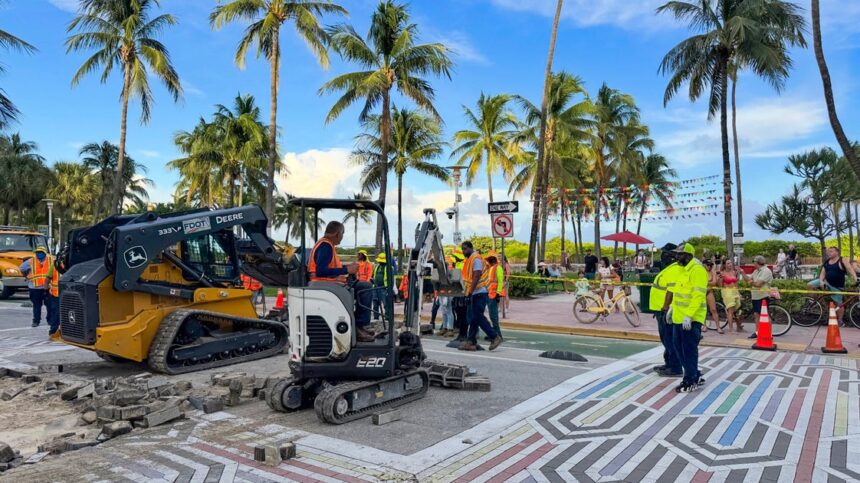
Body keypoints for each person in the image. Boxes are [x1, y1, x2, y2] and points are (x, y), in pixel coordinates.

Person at [308, 221, 374, 342]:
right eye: (342, 234)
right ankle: (358, 326)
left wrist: (345, 268)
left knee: (362, 286)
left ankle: (358, 326)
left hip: (328, 284)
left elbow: (327, 267)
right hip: (326, 285)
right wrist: (347, 269)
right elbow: (321, 271)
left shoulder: (326, 245)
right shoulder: (326, 246)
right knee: (365, 287)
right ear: (337, 234)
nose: (342, 238)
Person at [670, 242, 708, 393]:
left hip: (691, 319)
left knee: (688, 350)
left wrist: (689, 315)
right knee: (677, 347)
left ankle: (690, 380)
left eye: (679, 254)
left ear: (688, 255)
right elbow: (678, 292)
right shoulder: (683, 270)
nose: (676, 257)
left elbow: (698, 295)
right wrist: (672, 307)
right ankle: (694, 374)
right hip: (679, 317)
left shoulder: (697, 270)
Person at [459, 241, 502, 351]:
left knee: (477, 316)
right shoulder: (470, 259)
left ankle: (494, 336)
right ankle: (471, 341)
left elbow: (477, 275)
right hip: (475, 292)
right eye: (462, 249)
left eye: (464, 249)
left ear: (470, 248)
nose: (463, 252)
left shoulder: (476, 258)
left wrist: (470, 292)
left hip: (479, 292)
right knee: (473, 318)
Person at [649, 243, 682, 377]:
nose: (662, 256)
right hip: (660, 308)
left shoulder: (674, 269)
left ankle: (675, 367)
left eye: (665, 253)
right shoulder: (670, 268)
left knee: (668, 338)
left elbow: (671, 290)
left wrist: (666, 307)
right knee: (666, 338)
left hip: (665, 309)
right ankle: (669, 363)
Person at [807, 246, 858, 325]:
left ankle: (840, 320)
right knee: (810, 285)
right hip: (826, 282)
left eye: (831, 251)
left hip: (837, 286)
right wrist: (821, 281)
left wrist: (855, 278)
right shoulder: (827, 262)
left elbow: (850, 269)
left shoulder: (842, 260)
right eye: (828, 251)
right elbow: (822, 274)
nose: (828, 253)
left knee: (839, 304)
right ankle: (814, 302)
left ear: (837, 252)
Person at [19, 246, 59, 333]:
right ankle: (36, 321)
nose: (38, 254)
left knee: (50, 306)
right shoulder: (31, 261)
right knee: (37, 306)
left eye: (40, 252)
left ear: (45, 253)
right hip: (34, 287)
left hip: (47, 287)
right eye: (37, 252)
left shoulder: (51, 260)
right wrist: (26, 276)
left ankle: (50, 320)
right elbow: (21, 268)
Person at [743, 255, 774, 340]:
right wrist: (742, 273)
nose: (753, 264)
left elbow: (758, 284)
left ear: (757, 262)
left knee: (765, 315)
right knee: (756, 315)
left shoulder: (766, 271)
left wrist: (751, 282)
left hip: (763, 296)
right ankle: (757, 332)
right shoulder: (756, 271)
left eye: (754, 262)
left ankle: (769, 334)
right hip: (755, 296)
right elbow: (748, 279)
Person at [718, 258, 742, 332]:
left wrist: (739, 293)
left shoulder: (734, 272)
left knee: (736, 309)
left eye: (731, 263)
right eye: (728, 263)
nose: (730, 265)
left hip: (734, 291)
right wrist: (721, 279)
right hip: (727, 291)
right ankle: (731, 329)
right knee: (731, 311)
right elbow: (720, 285)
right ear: (724, 265)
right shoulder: (722, 273)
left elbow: (736, 283)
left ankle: (738, 325)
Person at [485, 252, 505, 340]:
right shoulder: (490, 268)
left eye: (491, 259)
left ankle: (498, 335)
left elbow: (501, 281)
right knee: (492, 316)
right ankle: (495, 334)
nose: (490, 260)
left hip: (494, 295)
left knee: (494, 316)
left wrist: (498, 293)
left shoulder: (498, 268)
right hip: (490, 294)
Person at [702, 260, 723, 334]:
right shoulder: (701, 272)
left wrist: (706, 282)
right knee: (703, 310)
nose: (710, 267)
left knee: (713, 309)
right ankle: (704, 325)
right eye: (708, 265)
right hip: (701, 292)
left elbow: (714, 282)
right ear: (704, 265)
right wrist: (709, 283)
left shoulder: (712, 272)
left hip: (709, 292)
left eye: (711, 265)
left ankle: (718, 327)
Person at [372, 252, 391, 321]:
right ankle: (376, 318)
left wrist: (389, 288)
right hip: (376, 287)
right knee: (375, 303)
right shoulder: (377, 266)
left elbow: (391, 278)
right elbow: (373, 275)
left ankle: (387, 318)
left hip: (384, 288)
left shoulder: (388, 267)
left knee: (386, 304)